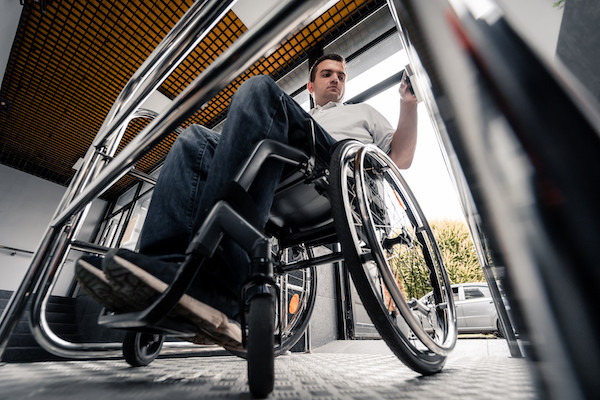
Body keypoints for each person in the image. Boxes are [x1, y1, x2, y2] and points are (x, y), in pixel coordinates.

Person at [75, 53, 418, 348]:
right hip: (283, 171)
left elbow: (400, 157)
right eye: (327, 74)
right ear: (310, 86)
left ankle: (223, 286)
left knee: (258, 89)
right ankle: (169, 270)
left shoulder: (363, 113)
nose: (336, 80)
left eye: (341, 76)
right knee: (193, 140)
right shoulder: (300, 113)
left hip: (334, 168)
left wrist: (407, 104)